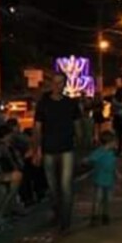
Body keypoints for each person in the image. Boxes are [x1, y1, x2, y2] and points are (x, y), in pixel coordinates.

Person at [34, 73, 83, 233]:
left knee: (66, 185)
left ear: (64, 84)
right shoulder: (44, 103)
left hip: (66, 147)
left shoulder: (70, 103)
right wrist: (37, 149)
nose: (57, 86)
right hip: (49, 148)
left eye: (60, 83)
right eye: (55, 83)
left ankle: (65, 221)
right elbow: (37, 128)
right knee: (53, 186)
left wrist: (80, 144)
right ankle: (58, 211)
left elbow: (77, 126)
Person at [83, 131, 120, 226]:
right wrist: (85, 161)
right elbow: (90, 158)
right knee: (98, 199)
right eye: (114, 142)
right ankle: (95, 216)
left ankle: (105, 215)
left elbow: (113, 165)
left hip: (108, 180)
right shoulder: (100, 152)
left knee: (107, 199)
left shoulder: (111, 153)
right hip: (100, 180)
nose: (116, 144)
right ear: (110, 142)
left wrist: (117, 173)